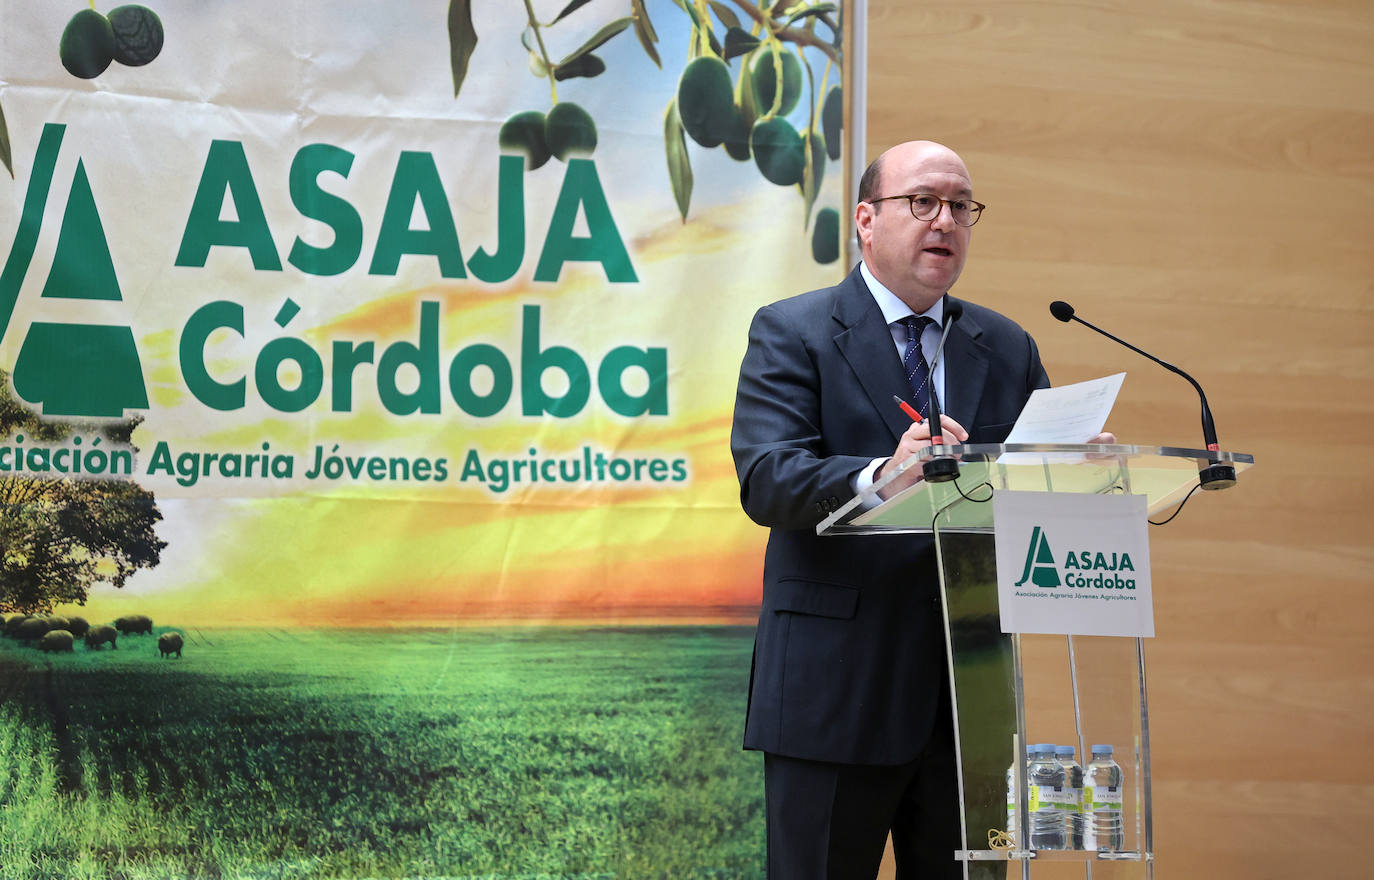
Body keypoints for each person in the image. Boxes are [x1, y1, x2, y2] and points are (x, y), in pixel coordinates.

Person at [730, 140, 1112, 879]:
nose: (945, 220)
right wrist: (883, 474)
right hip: (835, 691)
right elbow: (768, 477)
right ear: (867, 221)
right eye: (923, 202)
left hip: (970, 702)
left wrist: (1078, 471)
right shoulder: (794, 331)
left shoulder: (1004, 345)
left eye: (961, 206)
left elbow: (1026, 485)